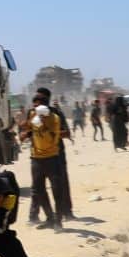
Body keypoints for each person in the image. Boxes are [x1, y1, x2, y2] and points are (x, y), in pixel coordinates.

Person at [22, 96, 67, 229]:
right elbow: (28, 128)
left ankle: (58, 220)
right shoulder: (32, 114)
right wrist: (25, 130)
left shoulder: (54, 119)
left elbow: (53, 139)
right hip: (36, 158)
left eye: (38, 106)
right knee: (39, 190)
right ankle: (50, 218)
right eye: (34, 106)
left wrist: (41, 124)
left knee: (56, 190)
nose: (35, 109)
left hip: (51, 157)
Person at [36, 87, 74, 218]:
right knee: (39, 188)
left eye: (41, 99)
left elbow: (67, 132)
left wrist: (52, 132)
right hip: (40, 155)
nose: (38, 102)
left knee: (61, 183)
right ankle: (47, 216)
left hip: (57, 153)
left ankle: (67, 212)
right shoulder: (34, 115)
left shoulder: (56, 113)